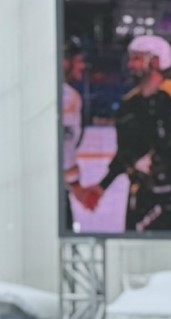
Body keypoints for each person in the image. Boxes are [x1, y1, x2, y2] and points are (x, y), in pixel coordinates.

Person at [80, 35, 171, 232]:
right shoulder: (128, 104)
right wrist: (103, 186)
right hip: (140, 192)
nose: (130, 65)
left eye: (136, 58)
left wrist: (157, 163)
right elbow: (125, 153)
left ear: (155, 61)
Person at [62, 36, 89, 232]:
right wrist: (76, 185)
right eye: (79, 61)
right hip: (50, 188)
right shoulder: (67, 96)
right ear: (64, 61)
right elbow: (65, 147)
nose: (82, 66)